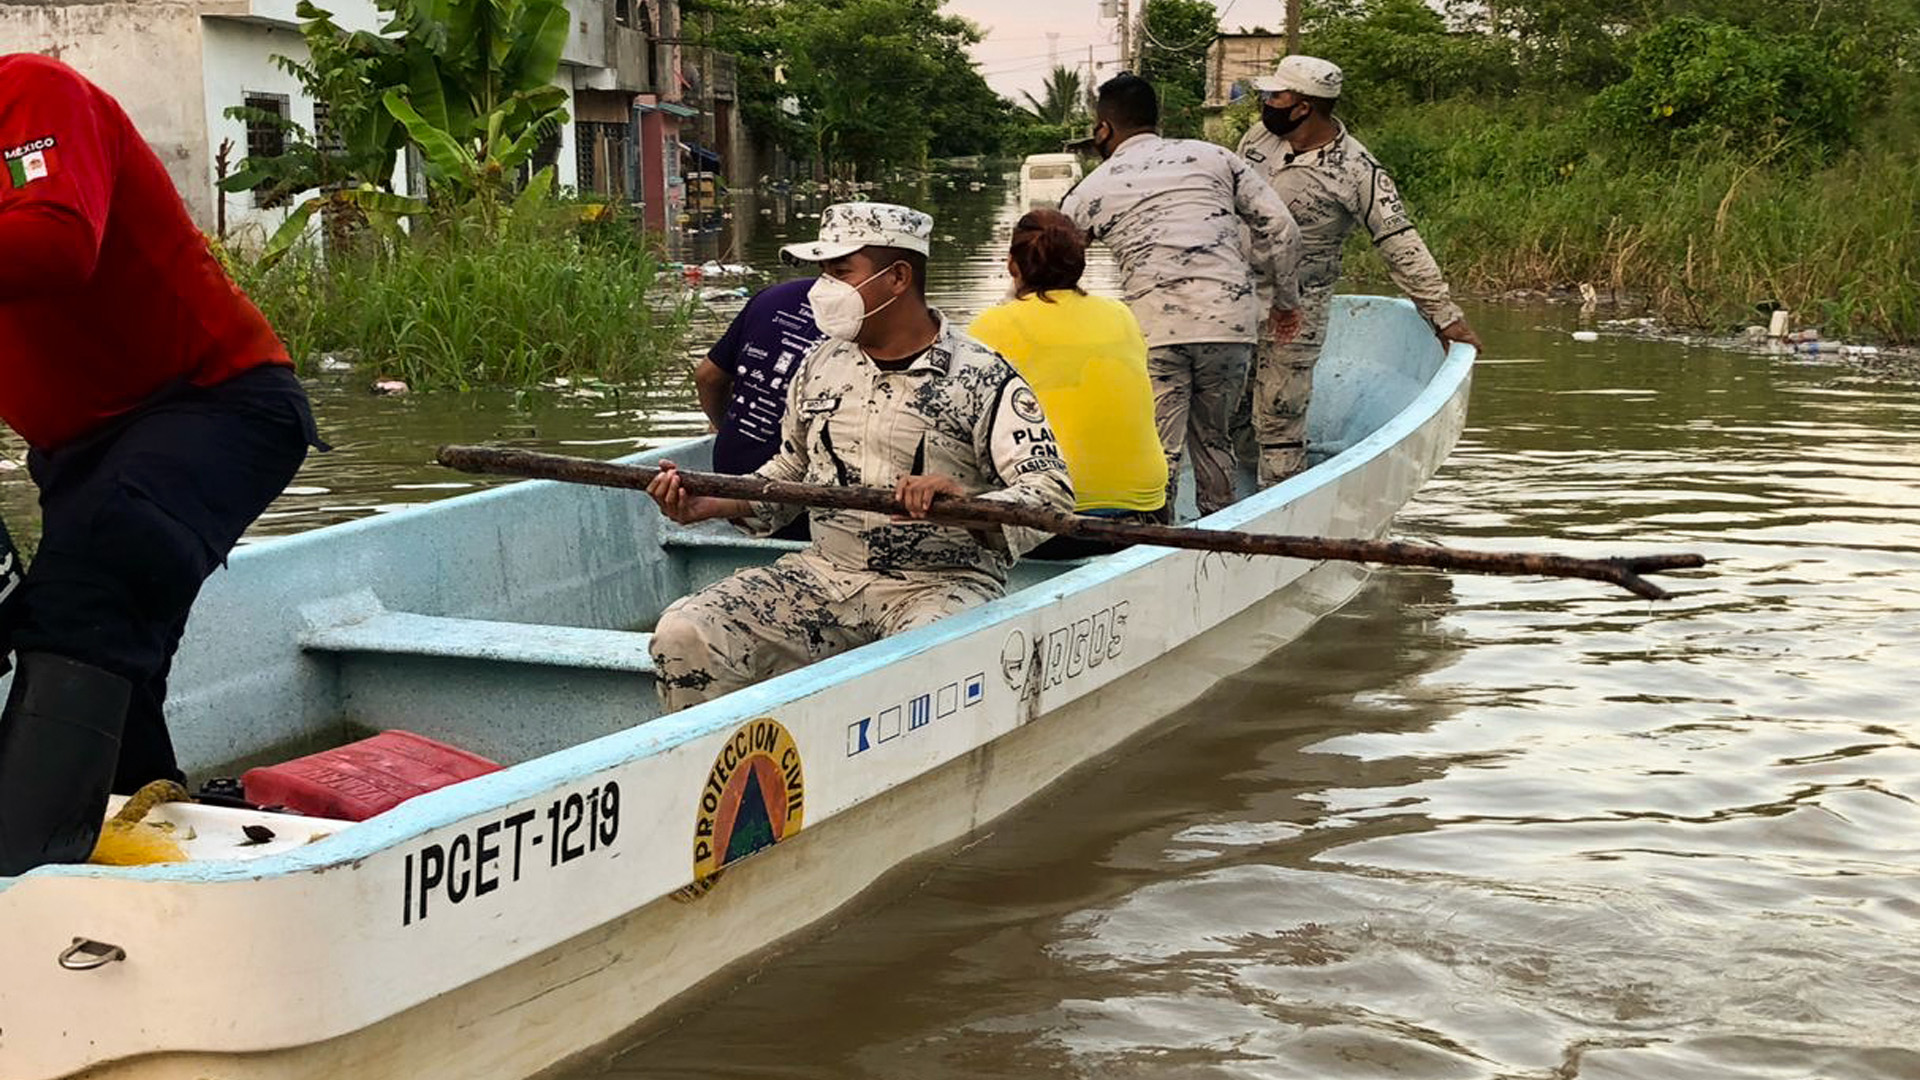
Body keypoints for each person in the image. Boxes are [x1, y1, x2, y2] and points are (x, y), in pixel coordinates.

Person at [0, 55, 322, 874]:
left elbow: (56, 241)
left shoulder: (31, 93)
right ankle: (148, 813)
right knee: (106, 642)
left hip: (214, 405)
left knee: (89, 596)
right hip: (76, 449)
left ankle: (22, 876)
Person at [644, 203, 1074, 711]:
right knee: (685, 632)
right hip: (825, 573)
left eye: (840, 271)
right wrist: (710, 504)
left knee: (929, 656)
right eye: (822, 271)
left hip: (938, 584)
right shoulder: (820, 364)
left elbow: (1051, 494)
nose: (822, 287)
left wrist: (964, 500)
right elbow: (790, 473)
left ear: (897, 278)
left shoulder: (981, 376)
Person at [1061, 73, 1302, 520]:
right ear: (1157, 119)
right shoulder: (1214, 157)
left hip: (1155, 331)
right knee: (1214, 440)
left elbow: (1051, 259)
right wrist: (1285, 301)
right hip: (1229, 323)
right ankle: (1218, 534)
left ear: (1103, 129)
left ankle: (1159, 544)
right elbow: (1281, 227)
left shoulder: (1091, 189)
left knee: (1158, 450)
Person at [1236, 55, 1481, 484]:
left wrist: (1443, 316)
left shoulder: (1355, 169)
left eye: (1276, 95)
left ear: (1304, 107)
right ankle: (1228, 505)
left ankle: (1281, 511)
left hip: (1295, 311)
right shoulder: (1258, 138)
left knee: (1278, 418)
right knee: (1228, 411)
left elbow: (1398, 239)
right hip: (1234, 298)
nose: (1265, 102)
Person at [968, 208, 1166, 558]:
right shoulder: (1121, 313)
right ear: (1081, 262)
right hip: (1145, 518)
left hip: (1050, 526)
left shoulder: (992, 325)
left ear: (1012, 263)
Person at [692, 276, 824, 539]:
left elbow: (707, 377)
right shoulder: (862, 332)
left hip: (730, 481)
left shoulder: (773, 296)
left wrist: (725, 426)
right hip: (799, 511)